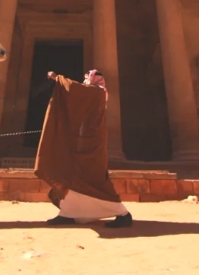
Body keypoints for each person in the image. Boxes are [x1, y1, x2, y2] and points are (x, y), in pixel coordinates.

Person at [33, 69, 133, 228]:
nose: (85, 80)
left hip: (91, 146)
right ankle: (68, 213)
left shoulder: (98, 93)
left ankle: (123, 214)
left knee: (95, 182)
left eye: (88, 77)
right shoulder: (93, 93)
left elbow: (77, 91)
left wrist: (57, 78)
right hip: (82, 143)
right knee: (73, 178)